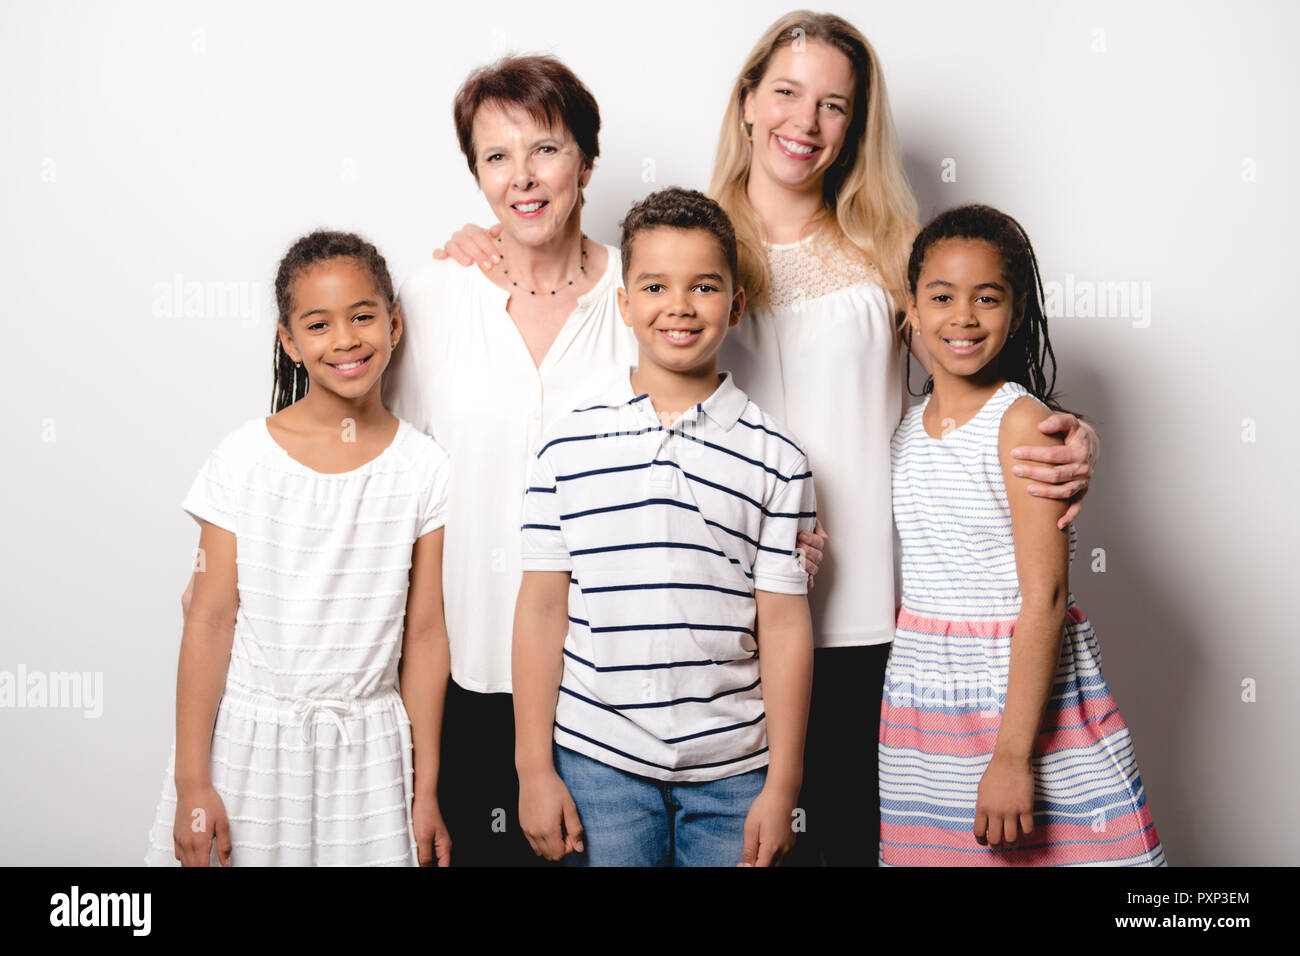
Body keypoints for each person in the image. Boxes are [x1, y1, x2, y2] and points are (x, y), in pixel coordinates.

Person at [436, 12, 1097, 866]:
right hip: (715, 637)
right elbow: (580, 282)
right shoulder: (699, 245)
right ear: (747, 102)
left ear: (856, 123)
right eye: (786, 92)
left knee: (847, 847)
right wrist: (488, 238)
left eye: (833, 104)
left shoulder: (890, 246)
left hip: (864, 617)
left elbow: (967, 373)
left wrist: (1063, 430)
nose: (804, 121)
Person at [387, 56, 824, 865]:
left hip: (610, 704)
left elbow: (744, 428)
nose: (523, 177)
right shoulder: (437, 294)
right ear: (475, 174)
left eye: (546, 149)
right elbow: (381, 464)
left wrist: (793, 531)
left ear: (587, 161)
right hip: (468, 669)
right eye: (496, 157)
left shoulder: (649, 285)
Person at [512, 187, 817, 867]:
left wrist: (783, 783)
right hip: (598, 761)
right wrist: (534, 769)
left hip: (735, 766)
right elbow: (539, 610)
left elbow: (787, 624)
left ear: (735, 305)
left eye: (704, 287)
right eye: (654, 285)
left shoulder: (777, 457)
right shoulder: (568, 447)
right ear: (624, 303)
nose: (679, 305)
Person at [149, 231, 453, 866]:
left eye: (363, 316)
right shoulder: (243, 459)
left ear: (394, 324)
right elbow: (208, 620)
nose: (345, 339)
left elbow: (425, 635)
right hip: (251, 753)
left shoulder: (424, 467)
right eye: (319, 324)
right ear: (290, 340)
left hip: (370, 760)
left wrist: (425, 793)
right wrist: (190, 784)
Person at [880, 204, 1165, 866]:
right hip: (923, 702)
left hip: (1018, 696)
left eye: (987, 298)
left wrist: (1011, 757)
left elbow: (1045, 597)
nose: (964, 317)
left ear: (1016, 313)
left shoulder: (1021, 425)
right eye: (942, 297)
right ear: (912, 310)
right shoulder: (902, 427)